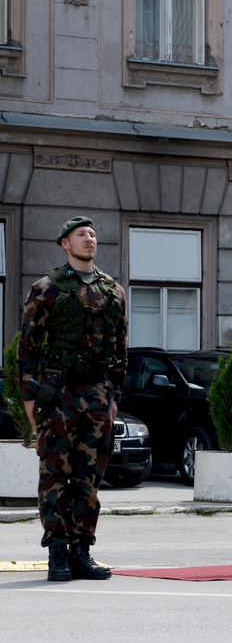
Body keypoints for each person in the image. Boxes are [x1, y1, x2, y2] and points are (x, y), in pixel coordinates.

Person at [17, 216, 128, 582]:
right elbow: (27, 352)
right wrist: (31, 406)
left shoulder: (114, 291)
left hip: (98, 395)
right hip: (59, 394)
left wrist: (113, 399)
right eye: (81, 234)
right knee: (54, 476)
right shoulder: (47, 288)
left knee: (90, 477)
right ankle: (57, 554)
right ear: (65, 243)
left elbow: (121, 353)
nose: (89, 239)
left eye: (93, 234)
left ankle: (82, 552)